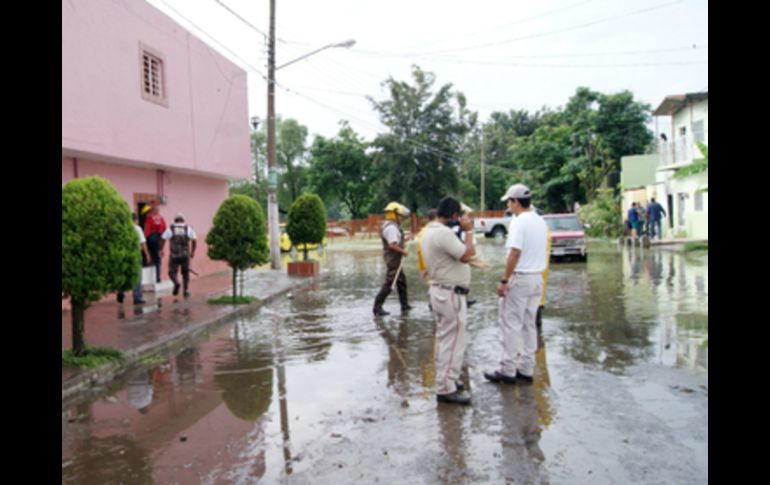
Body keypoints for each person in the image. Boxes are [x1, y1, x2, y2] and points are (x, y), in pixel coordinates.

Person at [484, 184, 547, 386]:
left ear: (516, 202)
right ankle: (526, 368)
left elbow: (515, 253)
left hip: (520, 278)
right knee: (529, 324)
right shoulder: (540, 221)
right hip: (537, 278)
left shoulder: (519, 222)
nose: (508, 206)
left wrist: (504, 280)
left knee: (510, 324)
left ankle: (507, 369)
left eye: (509, 202)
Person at [422, 196, 476, 405]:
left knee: (445, 340)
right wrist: (469, 230)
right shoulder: (443, 233)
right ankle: (446, 388)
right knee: (453, 342)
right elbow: (466, 255)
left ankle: (447, 380)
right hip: (450, 293)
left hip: (441, 291)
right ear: (454, 215)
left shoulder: (430, 230)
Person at [373, 202, 412, 316]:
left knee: (401, 281)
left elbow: (396, 242)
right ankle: (377, 307)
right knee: (390, 282)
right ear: (394, 215)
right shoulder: (391, 228)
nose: (402, 219)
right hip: (392, 259)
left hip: (394, 258)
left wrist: (406, 240)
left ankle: (404, 305)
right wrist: (403, 251)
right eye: (400, 216)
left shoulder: (392, 226)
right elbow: (392, 245)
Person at [118, 212, 151, 305]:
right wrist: (147, 255)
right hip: (135, 254)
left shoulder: (123, 228)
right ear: (136, 220)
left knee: (124, 274)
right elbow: (143, 243)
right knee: (137, 275)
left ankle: (121, 292)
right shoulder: (137, 229)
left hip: (124, 254)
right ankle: (137, 297)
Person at [161, 213, 197, 298]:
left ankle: (176, 282)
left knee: (172, 271)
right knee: (185, 273)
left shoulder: (171, 228)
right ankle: (186, 290)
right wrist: (192, 252)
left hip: (174, 254)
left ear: (175, 220)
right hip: (185, 254)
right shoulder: (188, 228)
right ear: (183, 220)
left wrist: (161, 249)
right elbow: (194, 240)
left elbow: (163, 238)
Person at [143, 201, 167, 283]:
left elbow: (147, 230)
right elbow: (165, 229)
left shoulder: (149, 217)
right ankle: (158, 278)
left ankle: (149, 278)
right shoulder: (162, 218)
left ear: (152, 210)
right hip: (160, 239)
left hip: (152, 238)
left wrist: (144, 242)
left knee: (149, 257)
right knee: (158, 259)